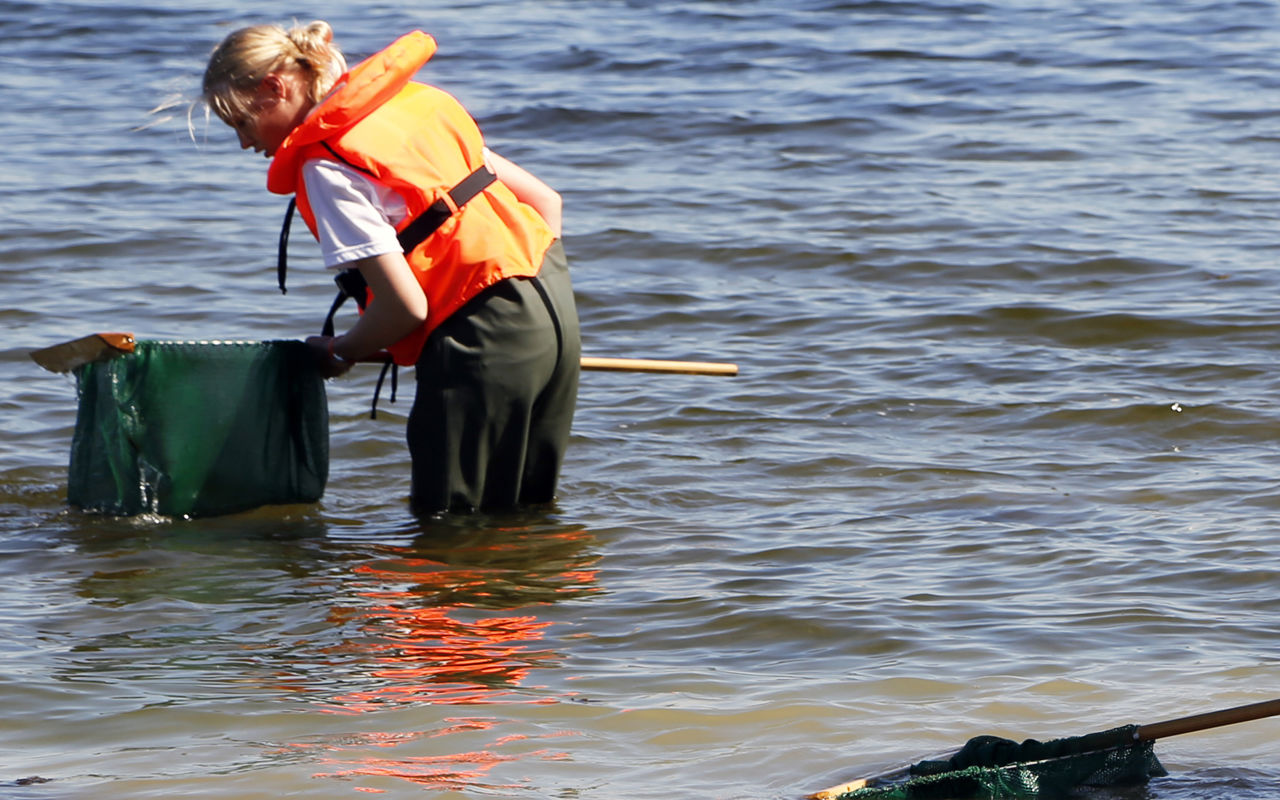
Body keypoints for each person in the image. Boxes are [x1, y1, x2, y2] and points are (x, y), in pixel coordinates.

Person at [201, 21, 580, 515]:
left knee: (448, 529)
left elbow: (405, 308)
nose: (246, 144)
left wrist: (341, 350)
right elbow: (546, 203)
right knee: (526, 515)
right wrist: (522, 308)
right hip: (553, 308)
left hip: (481, 337)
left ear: (276, 88)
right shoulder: (415, 104)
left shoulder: (327, 165)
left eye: (242, 124)